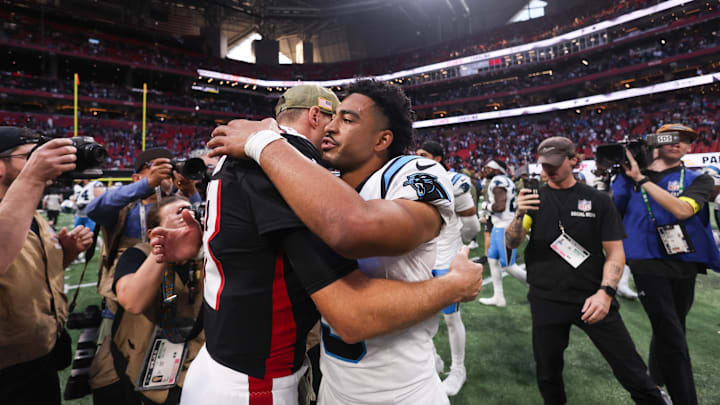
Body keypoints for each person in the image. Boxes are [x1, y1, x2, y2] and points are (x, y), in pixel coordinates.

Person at [151, 84, 483, 405]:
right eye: (332, 117)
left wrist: (266, 141)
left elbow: (354, 229)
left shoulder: (412, 170)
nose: (331, 127)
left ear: (383, 139)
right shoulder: (320, 187)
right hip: (331, 387)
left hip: (401, 391)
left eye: (347, 119)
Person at [505, 136, 666, 405]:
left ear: (573, 160)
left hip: (592, 297)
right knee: (548, 374)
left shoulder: (598, 201)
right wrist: (520, 214)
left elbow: (615, 252)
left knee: (633, 373)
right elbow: (512, 243)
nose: (548, 170)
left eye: (555, 164)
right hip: (546, 299)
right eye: (544, 165)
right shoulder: (534, 200)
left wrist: (605, 292)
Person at [612, 124, 720, 405]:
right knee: (671, 332)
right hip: (645, 261)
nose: (678, 143)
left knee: (672, 326)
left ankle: (656, 383)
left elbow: (683, 210)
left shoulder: (700, 179)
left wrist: (642, 180)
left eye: (685, 140)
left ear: (690, 148)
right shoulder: (627, 177)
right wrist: (627, 177)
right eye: (671, 138)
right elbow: (615, 214)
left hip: (684, 261)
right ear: (656, 143)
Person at [86, 147, 201, 403]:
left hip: (177, 303)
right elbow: (94, 208)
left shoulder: (182, 207)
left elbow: (201, 227)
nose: (164, 175)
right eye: (154, 167)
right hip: (122, 305)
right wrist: (146, 185)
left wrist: (192, 194)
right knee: (113, 372)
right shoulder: (124, 209)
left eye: (169, 170)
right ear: (136, 177)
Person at [0, 127, 94, 405]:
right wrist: (33, 176)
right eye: (30, 155)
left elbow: (24, 272)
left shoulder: (32, 213)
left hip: (41, 355)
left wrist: (64, 254)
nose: (41, 160)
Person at [108, 195, 204, 405]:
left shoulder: (208, 256)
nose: (189, 215)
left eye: (192, 210)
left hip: (196, 368)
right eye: (179, 213)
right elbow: (133, 302)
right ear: (153, 232)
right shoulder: (137, 254)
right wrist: (162, 252)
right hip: (149, 365)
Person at [416, 140, 480, 396]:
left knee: (451, 318)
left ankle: (458, 369)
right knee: (421, 316)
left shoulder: (455, 182)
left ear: (439, 158)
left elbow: (472, 225)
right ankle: (434, 359)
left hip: (446, 258)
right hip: (422, 258)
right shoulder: (413, 179)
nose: (418, 158)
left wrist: (459, 244)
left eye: (424, 155)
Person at [478, 158, 527, 307]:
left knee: (508, 265)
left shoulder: (498, 180)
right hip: (498, 225)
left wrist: (486, 207)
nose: (486, 170)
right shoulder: (503, 180)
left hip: (504, 227)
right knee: (492, 259)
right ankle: (498, 297)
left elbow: (499, 206)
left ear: (498, 170)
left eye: (489, 168)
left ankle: (537, 288)